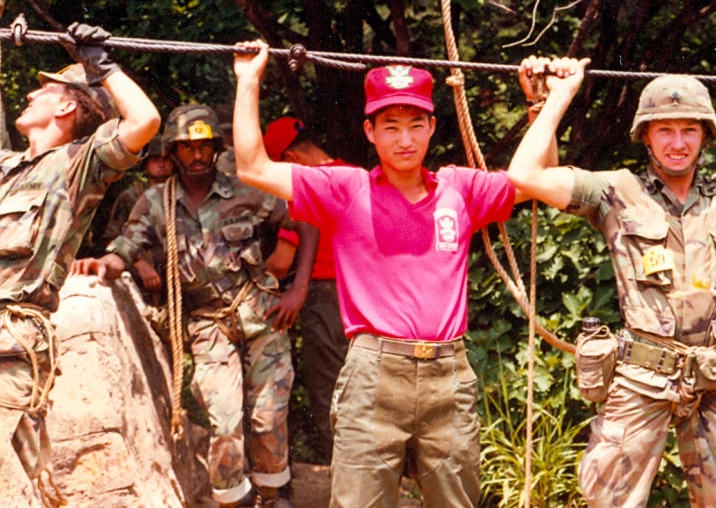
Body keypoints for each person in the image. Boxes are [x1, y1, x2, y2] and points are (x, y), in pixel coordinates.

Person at [507, 57, 716, 507]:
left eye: (690, 129)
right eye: (665, 130)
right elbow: (527, 177)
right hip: (641, 378)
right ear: (645, 136)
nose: (678, 143)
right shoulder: (616, 191)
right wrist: (558, 97)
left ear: (706, 135)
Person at [232, 42, 522, 508]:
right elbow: (252, 166)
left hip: (449, 373)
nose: (404, 140)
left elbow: (532, 179)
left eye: (415, 125)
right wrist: (248, 79)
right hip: (373, 371)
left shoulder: (459, 188)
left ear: (431, 127)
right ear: (369, 131)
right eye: (390, 127)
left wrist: (547, 102)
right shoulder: (345, 188)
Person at [71, 104, 318, 508]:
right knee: (223, 420)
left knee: (269, 416)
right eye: (188, 148)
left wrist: (298, 290)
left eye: (205, 146)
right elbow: (126, 248)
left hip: (261, 313)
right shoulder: (154, 203)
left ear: (216, 148)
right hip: (206, 324)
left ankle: (274, 494)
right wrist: (102, 264)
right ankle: (232, 499)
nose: (198, 155)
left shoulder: (246, 188)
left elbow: (304, 221)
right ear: (171, 151)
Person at [0, 23, 161, 506]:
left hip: (12, 340)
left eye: (44, 91)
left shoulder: (78, 162)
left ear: (67, 106)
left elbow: (144, 122)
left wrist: (100, 63)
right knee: (29, 482)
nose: (29, 93)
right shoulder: (7, 168)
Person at [262, 116, 350, 465]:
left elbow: (282, 261)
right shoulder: (355, 176)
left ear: (290, 159)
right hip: (360, 299)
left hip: (323, 299)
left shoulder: (305, 189)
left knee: (329, 394)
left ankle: (344, 483)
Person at [100, 135, 174, 299]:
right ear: (146, 164)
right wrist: (140, 265)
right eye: (155, 160)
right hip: (137, 280)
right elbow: (111, 239)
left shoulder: (181, 195)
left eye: (166, 159)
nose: (161, 164)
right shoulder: (131, 197)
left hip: (175, 280)